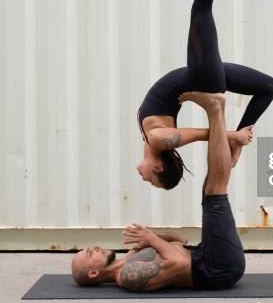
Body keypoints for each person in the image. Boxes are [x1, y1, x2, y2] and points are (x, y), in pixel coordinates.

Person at [136, 0, 273, 189]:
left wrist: (234, 137)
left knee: (269, 86)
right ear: (158, 166)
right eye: (152, 180)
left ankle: (238, 141)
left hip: (200, 76)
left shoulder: (152, 138)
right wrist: (229, 135)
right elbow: (203, 133)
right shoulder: (157, 140)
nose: (144, 179)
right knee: (201, 7)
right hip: (201, 77)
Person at [72, 91, 245, 290]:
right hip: (217, 268)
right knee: (215, 193)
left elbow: (181, 241)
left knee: (211, 190)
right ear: (93, 274)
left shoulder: (130, 257)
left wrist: (151, 237)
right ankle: (215, 110)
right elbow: (179, 264)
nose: (93, 248)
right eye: (88, 254)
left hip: (206, 255)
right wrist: (151, 239)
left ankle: (222, 135)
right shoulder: (127, 277)